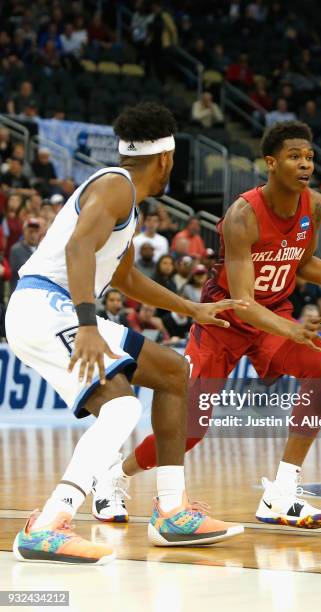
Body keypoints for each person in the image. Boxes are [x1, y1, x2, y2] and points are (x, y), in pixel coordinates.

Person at [5, 102, 244, 565]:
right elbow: (78, 247)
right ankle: (51, 522)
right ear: (167, 158)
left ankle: (172, 511)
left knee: (175, 372)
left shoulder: (124, 200)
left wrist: (191, 306)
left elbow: (126, 278)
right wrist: (89, 324)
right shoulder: (116, 186)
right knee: (122, 407)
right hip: (46, 305)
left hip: (54, 307)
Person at [109, 120, 321, 530]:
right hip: (223, 320)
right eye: (294, 157)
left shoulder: (313, 206)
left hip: (273, 317)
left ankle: (281, 493)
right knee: (190, 430)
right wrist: (292, 328)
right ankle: (116, 476)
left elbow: (303, 262)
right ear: (270, 162)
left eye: (309, 157)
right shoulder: (243, 216)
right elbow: (244, 304)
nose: (305, 165)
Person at [9, 218, 42, 293]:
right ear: (24, 231)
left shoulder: (41, 249)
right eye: (30, 231)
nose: (33, 235)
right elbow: (25, 271)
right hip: (19, 292)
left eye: (36, 232)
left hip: (36, 293)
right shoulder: (16, 250)